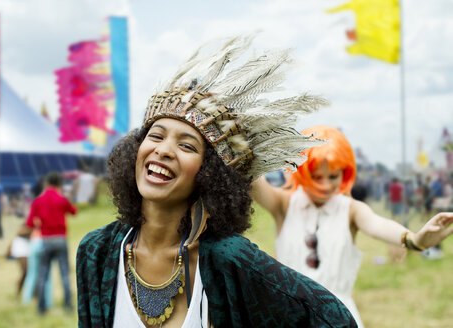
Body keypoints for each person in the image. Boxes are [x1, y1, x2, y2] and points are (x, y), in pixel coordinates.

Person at [76, 36, 357, 328]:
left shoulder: (229, 259)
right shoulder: (97, 251)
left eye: (186, 146)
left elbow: (334, 319)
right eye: (156, 136)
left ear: (210, 173)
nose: (163, 150)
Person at [252, 125, 453, 327]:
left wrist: (414, 240)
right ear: (302, 171)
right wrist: (239, 143)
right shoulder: (284, 204)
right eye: (316, 176)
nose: (325, 185)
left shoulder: (351, 210)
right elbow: (252, 180)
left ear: (344, 173)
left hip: (337, 317)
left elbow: (377, 224)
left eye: (333, 176)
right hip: (290, 318)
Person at [25, 171, 77, 314]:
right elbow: (73, 211)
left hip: (46, 239)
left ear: (47, 183)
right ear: (59, 184)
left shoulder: (38, 200)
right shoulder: (61, 199)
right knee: (65, 274)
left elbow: (29, 223)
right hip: (61, 239)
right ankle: (68, 305)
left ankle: (41, 307)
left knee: (43, 274)